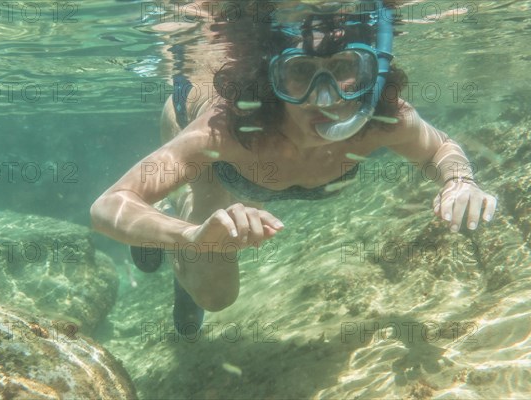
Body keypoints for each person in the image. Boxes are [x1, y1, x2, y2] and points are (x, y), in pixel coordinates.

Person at [90, 0, 497, 336]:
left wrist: (460, 180)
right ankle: (168, 229)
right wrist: (192, 235)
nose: (326, 98)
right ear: (271, 79)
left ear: (370, 72)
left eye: (344, 68)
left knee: (206, 273)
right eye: (299, 73)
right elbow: (110, 206)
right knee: (216, 295)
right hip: (203, 143)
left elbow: (440, 149)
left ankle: (174, 247)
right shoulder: (227, 129)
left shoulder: (382, 118)